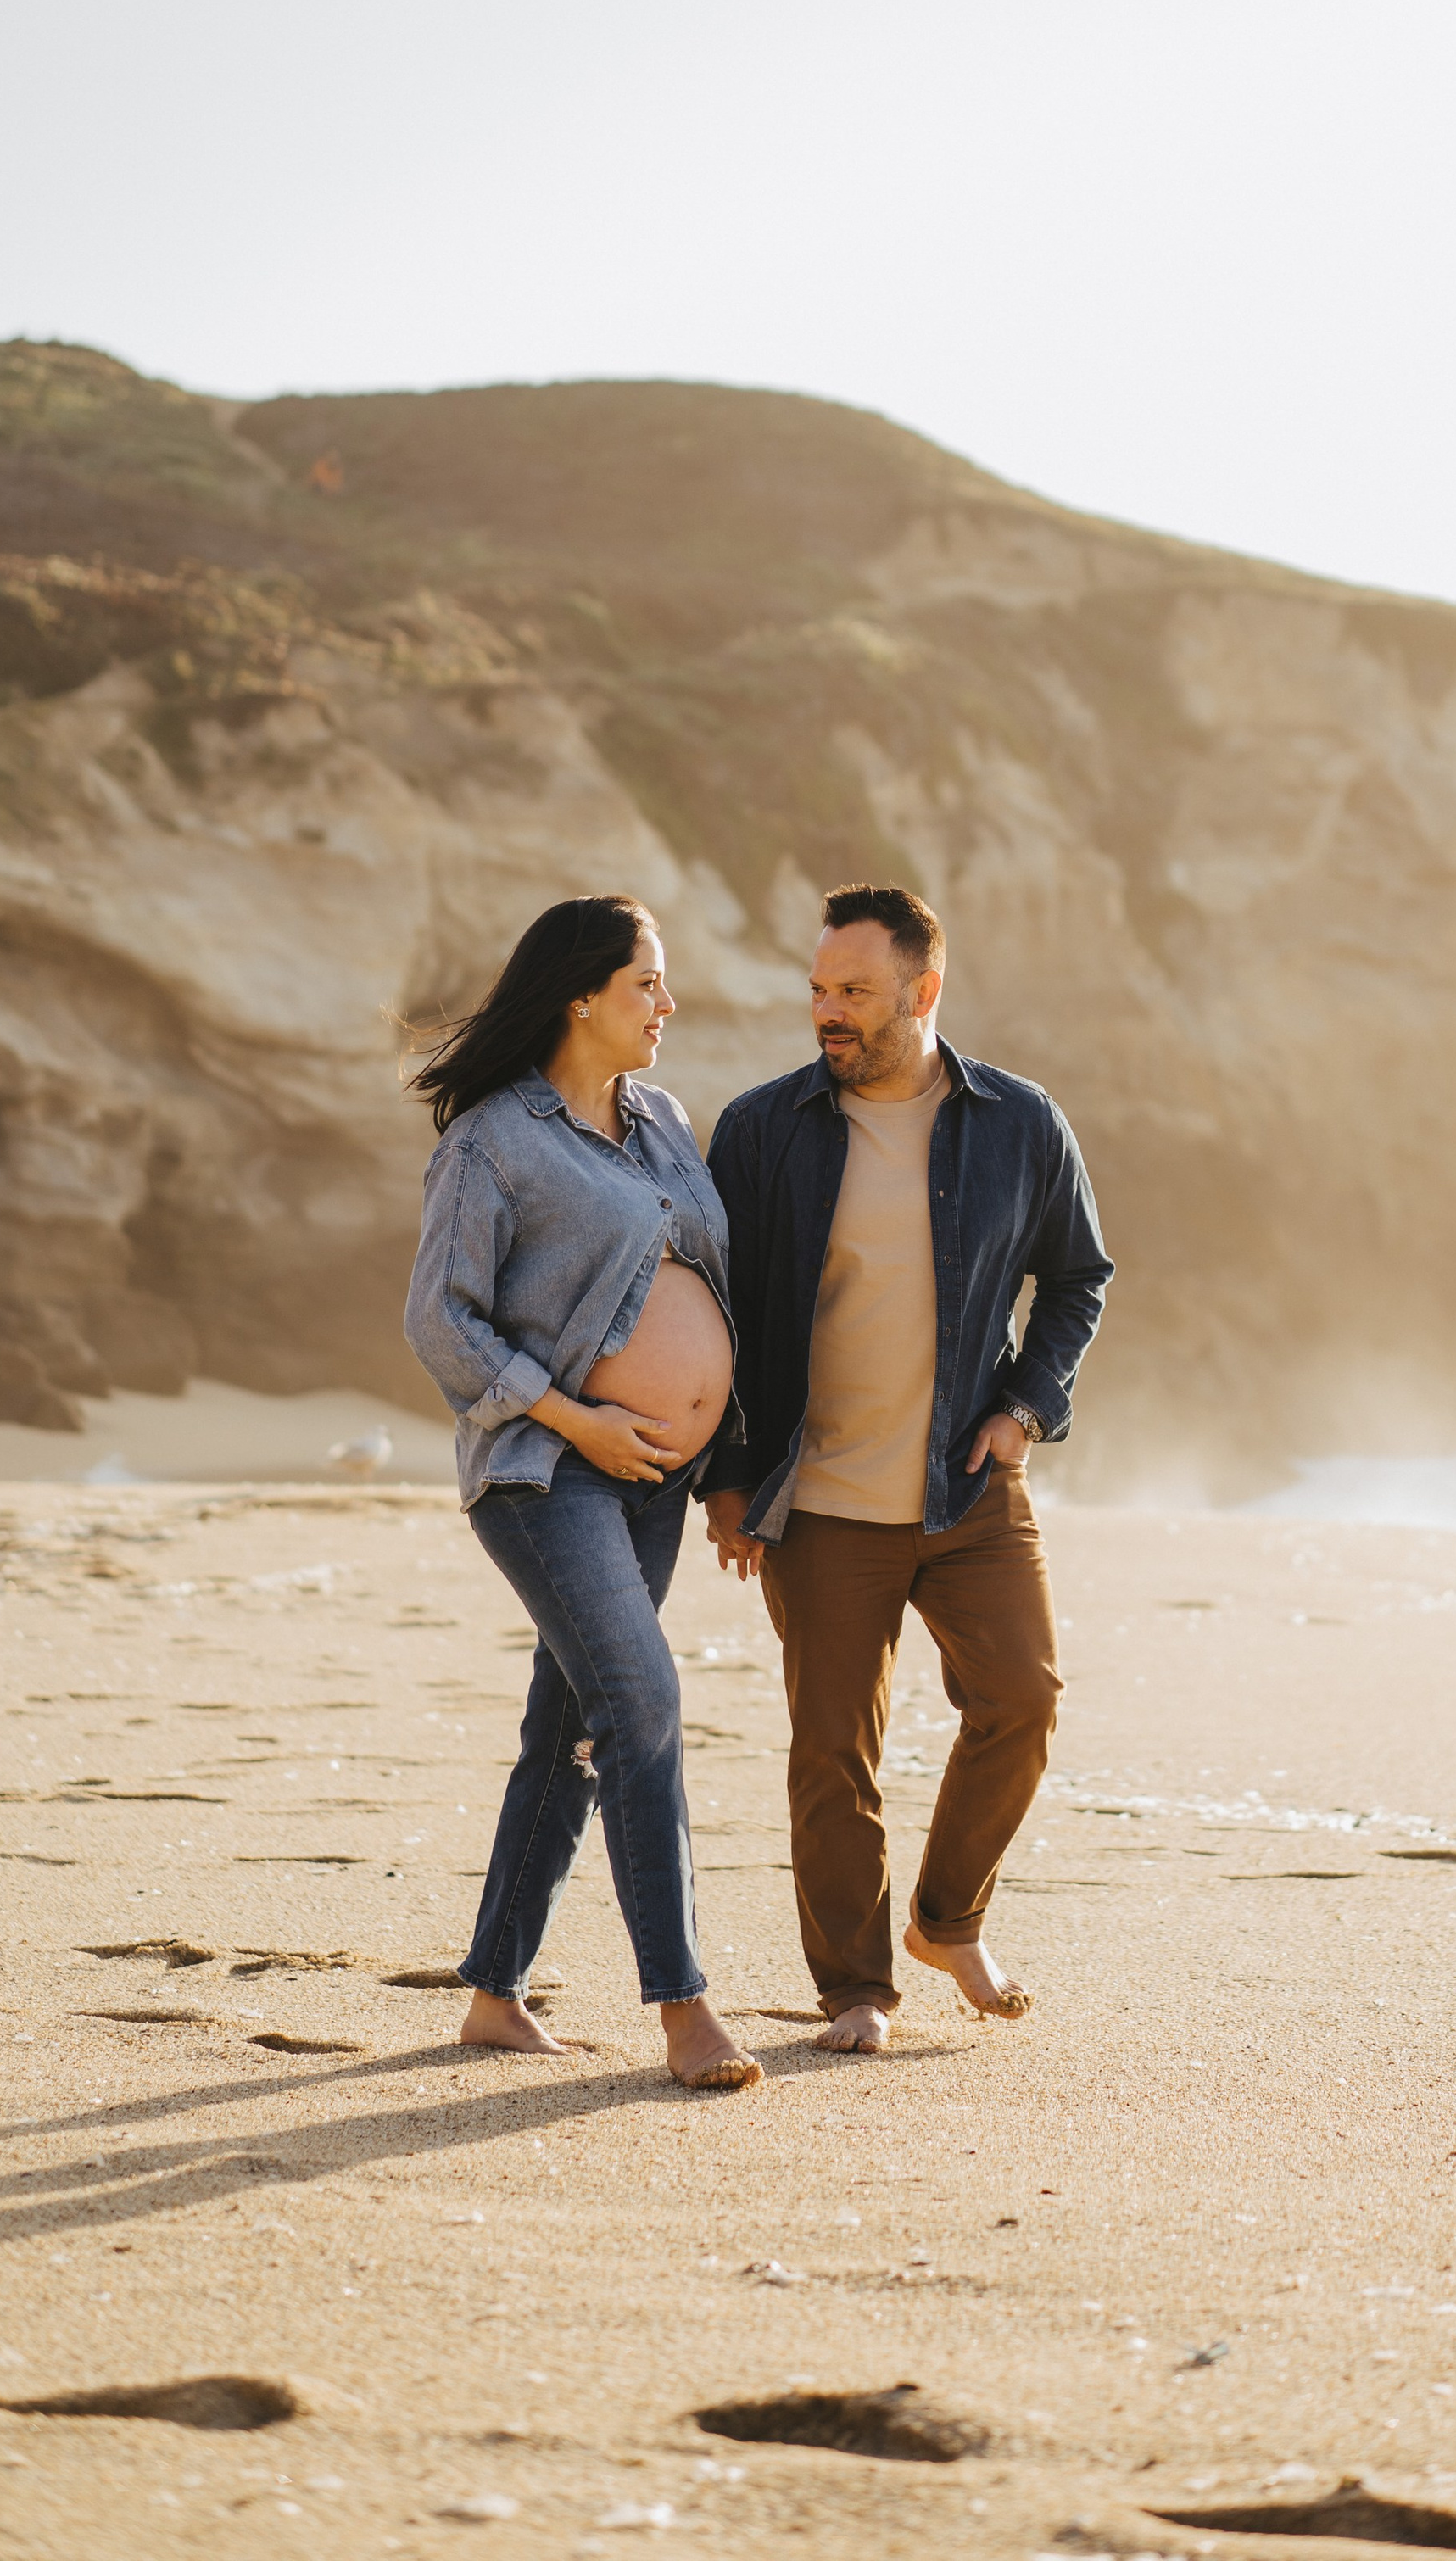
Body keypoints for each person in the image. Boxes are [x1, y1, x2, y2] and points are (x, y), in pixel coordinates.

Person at [701, 883, 1112, 2053]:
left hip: (966, 1487)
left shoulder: (1021, 1122)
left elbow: (1080, 1274)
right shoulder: (762, 1129)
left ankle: (945, 1918)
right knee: (835, 1753)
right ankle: (857, 1992)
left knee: (1023, 1702)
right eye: (819, 989)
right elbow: (714, 1307)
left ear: (924, 993)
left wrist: (1026, 1407)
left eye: (855, 993)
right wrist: (729, 1477)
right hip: (816, 1497)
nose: (827, 1012)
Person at [402, 895, 760, 2092]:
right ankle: (686, 2007)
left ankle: (495, 1994)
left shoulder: (664, 1122)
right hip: (545, 1475)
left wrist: (722, 1464)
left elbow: (710, 1289)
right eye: (647, 982)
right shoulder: (495, 1141)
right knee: (643, 1705)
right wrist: (578, 1420)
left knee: (568, 1733)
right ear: (582, 996)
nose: (668, 1004)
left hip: (657, 1480)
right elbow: (439, 1322)